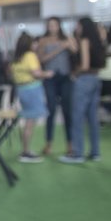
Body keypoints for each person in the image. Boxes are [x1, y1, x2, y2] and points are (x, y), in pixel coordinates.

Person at [60, 17, 107, 163]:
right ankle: (95, 152)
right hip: (95, 79)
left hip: (84, 80)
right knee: (92, 118)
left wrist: (75, 73)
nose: (77, 29)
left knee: (77, 117)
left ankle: (77, 153)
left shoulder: (85, 40)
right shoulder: (98, 41)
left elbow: (84, 64)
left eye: (78, 26)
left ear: (83, 26)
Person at [9, 33, 53, 162]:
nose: (36, 45)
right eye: (34, 43)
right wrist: (47, 74)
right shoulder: (30, 56)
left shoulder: (16, 58)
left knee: (28, 120)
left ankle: (25, 150)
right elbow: (36, 73)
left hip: (21, 90)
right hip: (32, 90)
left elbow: (12, 75)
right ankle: (26, 152)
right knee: (30, 122)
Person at [37, 16, 76, 156]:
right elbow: (41, 59)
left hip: (66, 77)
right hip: (50, 78)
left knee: (68, 111)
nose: (52, 27)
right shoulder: (43, 41)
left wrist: (70, 45)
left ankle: (70, 144)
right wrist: (60, 48)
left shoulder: (68, 38)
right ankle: (48, 143)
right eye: (50, 25)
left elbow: (76, 52)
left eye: (55, 25)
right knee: (51, 109)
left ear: (59, 26)